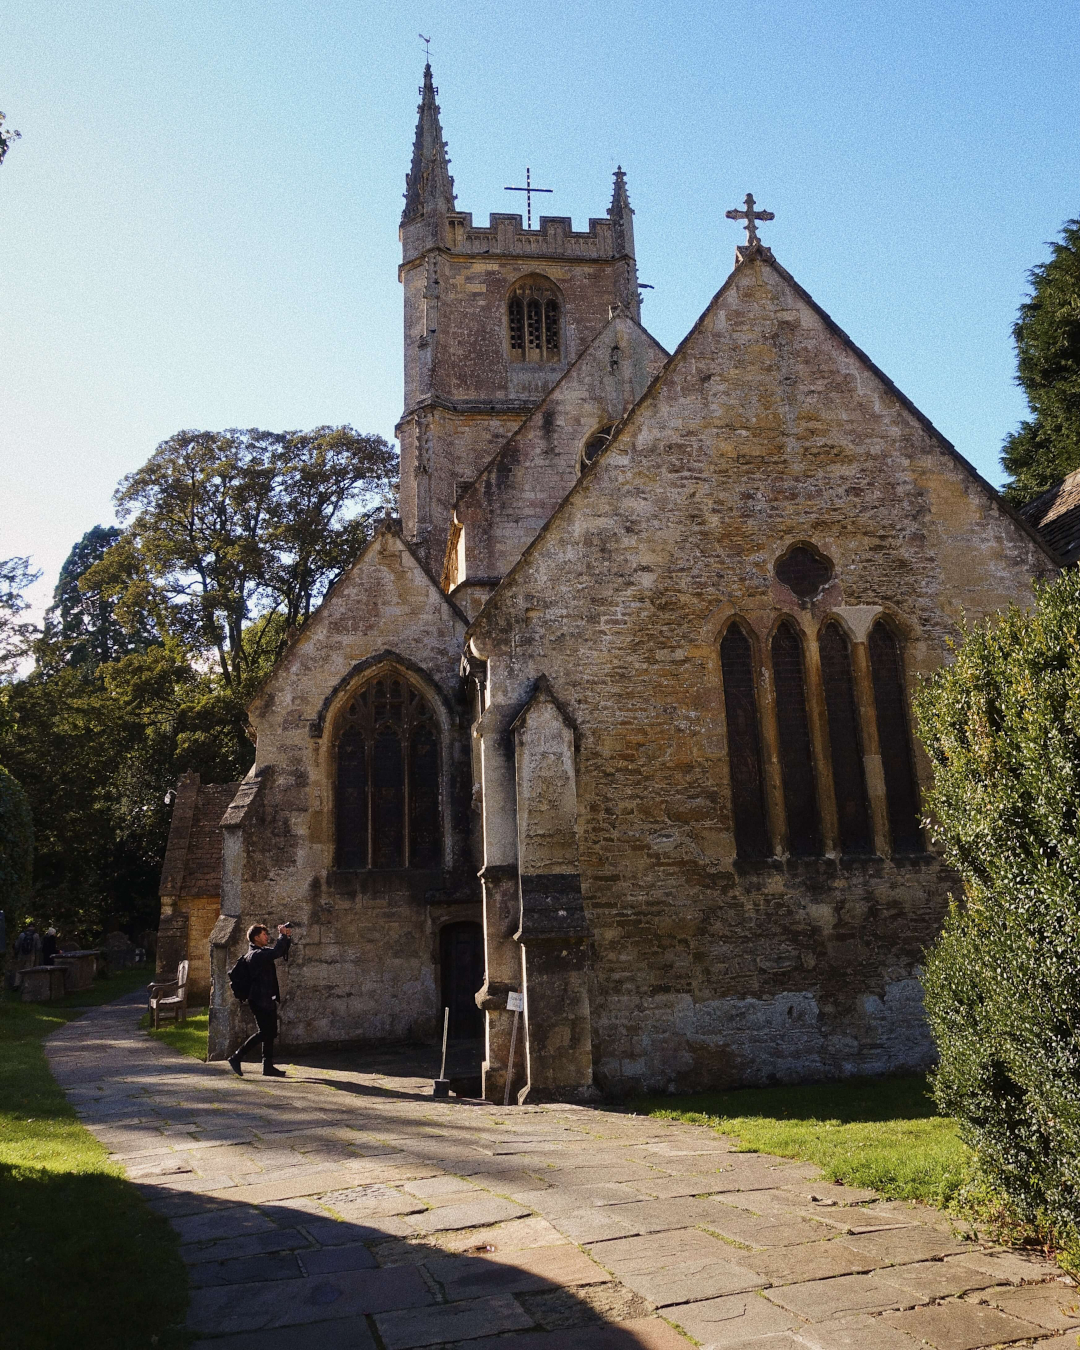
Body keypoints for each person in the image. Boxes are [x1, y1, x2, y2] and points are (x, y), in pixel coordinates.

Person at [228, 923, 291, 1078]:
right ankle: (236, 1056)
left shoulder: (260, 952)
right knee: (265, 1032)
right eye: (264, 934)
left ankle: (267, 1066)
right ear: (256, 938)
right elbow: (276, 951)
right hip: (259, 999)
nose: (267, 937)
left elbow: (280, 951)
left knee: (270, 1033)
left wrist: (286, 937)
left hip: (266, 997)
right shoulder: (255, 955)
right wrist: (281, 935)